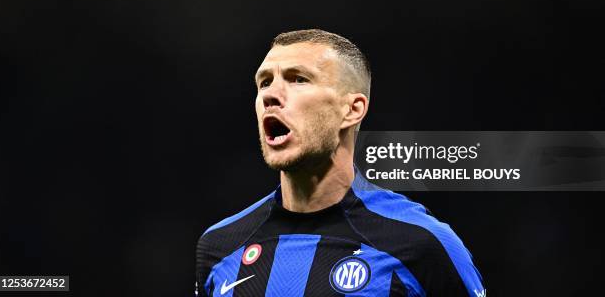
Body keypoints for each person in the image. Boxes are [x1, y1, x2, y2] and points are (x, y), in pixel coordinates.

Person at [196, 29, 484, 296]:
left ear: (352, 110)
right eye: (265, 82)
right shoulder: (219, 247)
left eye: (298, 79)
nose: (271, 95)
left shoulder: (421, 243)